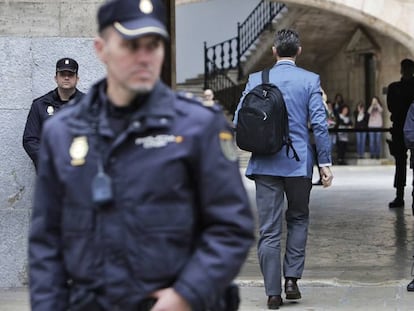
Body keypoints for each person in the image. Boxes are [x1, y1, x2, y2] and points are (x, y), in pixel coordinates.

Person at [28, 1, 255, 311]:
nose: (145, 57)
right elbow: (46, 242)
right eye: (131, 45)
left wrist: (186, 294)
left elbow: (231, 227)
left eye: (154, 45)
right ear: (101, 49)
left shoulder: (198, 126)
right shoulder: (62, 132)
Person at [234, 28, 333, 310]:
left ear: (274, 51)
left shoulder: (256, 79)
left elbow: (241, 117)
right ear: (298, 51)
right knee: (299, 218)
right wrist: (324, 163)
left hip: (265, 162)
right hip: (299, 162)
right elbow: (320, 125)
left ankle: (273, 294)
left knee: (268, 230)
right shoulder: (310, 80)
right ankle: (292, 280)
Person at [22, 57, 84, 171]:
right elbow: (30, 140)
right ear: (56, 78)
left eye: (70, 74)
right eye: (62, 74)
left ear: (77, 79)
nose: (66, 77)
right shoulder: (40, 105)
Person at [386, 58, 414, 208]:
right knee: (400, 163)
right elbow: (392, 107)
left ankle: (401, 196)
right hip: (399, 128)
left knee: (404, 163)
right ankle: (399, 195)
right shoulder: (394, 87)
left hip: (407, 127)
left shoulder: (396, 88)